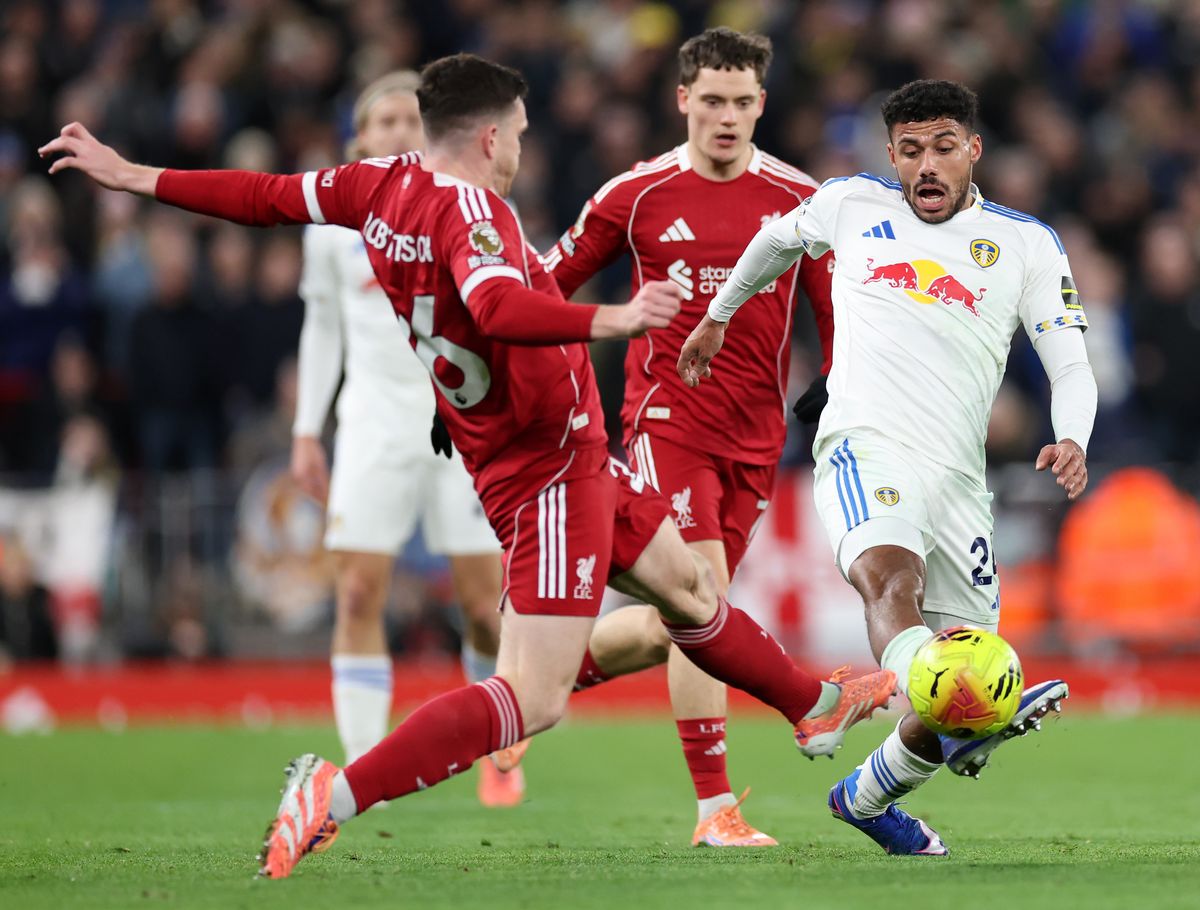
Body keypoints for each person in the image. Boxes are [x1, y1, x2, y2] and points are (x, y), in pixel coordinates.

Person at [40, 53, 896, 880]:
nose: (524, 149)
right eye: (519, 131)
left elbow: (263, 197)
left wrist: (136, 175)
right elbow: (494, 304)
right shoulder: (474, 214)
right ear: (489, 137)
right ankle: (333, 796)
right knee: (533, 696)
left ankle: (812, 709)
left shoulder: (375, 185)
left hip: (564, 448)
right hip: (545, 470)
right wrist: (617, 320)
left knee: (690, 593)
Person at [677, 79, 1091, 856]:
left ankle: (866, 798)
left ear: (972, 149)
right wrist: (717, 317)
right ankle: (967, 715)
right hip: (863, 445)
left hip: (960, 483)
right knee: (890, 582)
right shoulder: (852, 204)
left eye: (941, 147)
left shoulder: (1025, 243)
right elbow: (776, 241)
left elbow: (1069, 361)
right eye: (909, 150)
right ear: (891, 155)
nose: (925, 166)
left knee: (955, 697)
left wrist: (1072, 435)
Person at [543, 27, 834, 848]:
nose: (728, 117)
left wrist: (834, 380)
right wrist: (476, 359)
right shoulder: (633, 195)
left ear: (762, 105)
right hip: (665, 423)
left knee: (684, 621)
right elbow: (540, 288)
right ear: (682, 101)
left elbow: (832, 303)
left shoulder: (798, 199)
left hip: (756, 436)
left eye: (743, 102)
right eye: (712, 100)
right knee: (703, 594)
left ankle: (526, 684)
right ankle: (716, 811)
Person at [289, 71, 517, 807]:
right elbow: (322, 328)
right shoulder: (331, 227)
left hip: (461, 421)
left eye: (407, 120)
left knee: (484, 606)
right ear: (360, 139)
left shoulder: (466, 205)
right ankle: (362, 772)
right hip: (372, 424)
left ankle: (496, 745)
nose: (394, 132)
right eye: (380, 121)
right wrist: (306, 430)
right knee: (357, 591)